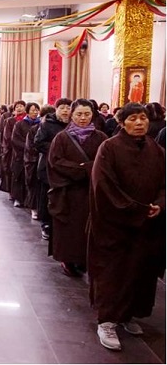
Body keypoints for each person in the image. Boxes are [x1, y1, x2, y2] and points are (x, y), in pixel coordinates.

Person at [88, 102, 165, 351]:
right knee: (114, 273)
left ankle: (127, 315)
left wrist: (159, 204)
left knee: (140, 271)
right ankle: (107, 321)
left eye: (143, 118)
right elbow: (104, 185)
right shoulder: (109, 148)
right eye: (133, 118)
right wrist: (135, 209)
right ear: (122, 122)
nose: (139, 123)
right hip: (115, 225)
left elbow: (165, 184)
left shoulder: (157, 149)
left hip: (147, 225)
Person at [47, 99, 107, 277]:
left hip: (91, 191)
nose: (83, 118)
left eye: (87, 114)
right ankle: (67, 260)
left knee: (87, 229)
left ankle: (83, 259)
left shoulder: (101, 138)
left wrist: (86, 168)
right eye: (79, 114)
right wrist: (83, 169)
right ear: (72, 115)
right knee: (69, 229)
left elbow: (106, 162)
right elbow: (56, 162)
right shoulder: (61, 138)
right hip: (68, 191)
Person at [34, 98, 72, 240]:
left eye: (68, 108)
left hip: (67, 168)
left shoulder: (74, 125)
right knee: (48, 197)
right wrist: (58, 150)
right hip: (48, 168)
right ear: (56, 110)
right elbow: (38, 143)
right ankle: (46, 224)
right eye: (62, 108)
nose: (65, 111)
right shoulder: (47, 124)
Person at [24, 105, 55, 220]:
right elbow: (30, 146)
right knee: (34, 187)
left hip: (48, 162)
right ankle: (34, 209)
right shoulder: (34, 129)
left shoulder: (55, 129)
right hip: (34, 161)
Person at [10, 102, 40, 210]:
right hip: (21, 155)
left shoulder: (40, 125)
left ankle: (30, 202)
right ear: (27, 111)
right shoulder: (19, 124)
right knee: (20, 177)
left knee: (32, 180)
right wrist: (27, 147)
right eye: (32, 110)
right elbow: (15, 140)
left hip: (35, 156)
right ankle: (18, 198)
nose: (35, 112)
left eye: (37, 110)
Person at [0, 100, 26, 199]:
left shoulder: (27, 121)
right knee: (12, 172)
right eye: (17, 107)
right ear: (14, 109)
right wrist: (15, 145)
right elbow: (7, 136)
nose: (19, 108)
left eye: (21, 106)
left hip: (25, 150)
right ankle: (12, 192)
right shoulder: (10, 121)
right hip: (12, 151)